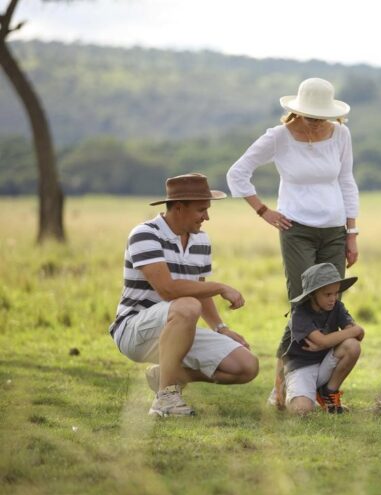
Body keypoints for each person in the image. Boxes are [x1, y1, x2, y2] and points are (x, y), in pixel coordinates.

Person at [226, 77, 360, 409]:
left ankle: (325, 388)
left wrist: (352, 233)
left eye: (321, 115)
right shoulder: (279, 137)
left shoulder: (341, 134)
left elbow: (346, 180)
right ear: (297, 110)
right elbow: (237, 173)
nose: (316, 121)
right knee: (302, 306)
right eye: (311, 115)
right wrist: (263, 211)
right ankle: (280, 388)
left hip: (334, 230)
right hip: (296, 229)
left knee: (330, 304)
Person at [108, 173, 259, 417]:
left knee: (246, 366)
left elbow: (198, 290)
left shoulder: (201, 239)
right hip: (134, 330)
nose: (207, 217)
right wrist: (220, 287)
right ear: (179, 208)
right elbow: (168, 290)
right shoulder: (144, 234)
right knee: (187, 305)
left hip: (178, 327)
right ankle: (166, 399)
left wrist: (221, 328)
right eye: (201, 210)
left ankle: (166, 375)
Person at [283, 263, 364, 414]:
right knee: (302, 410)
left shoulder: (337, 307)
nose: (333, 299)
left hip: (325, 365)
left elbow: (358, 335)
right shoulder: (299, 314)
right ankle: (286, 390)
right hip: (302, 368)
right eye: (328, 294)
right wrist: (353, 330)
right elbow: (322, 341)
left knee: (352, 345)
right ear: (312, 294)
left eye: (336, 293)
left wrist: (356, 330)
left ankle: (328, 391)